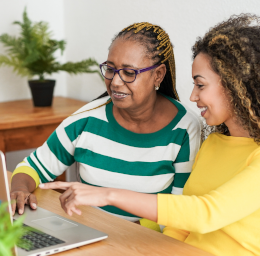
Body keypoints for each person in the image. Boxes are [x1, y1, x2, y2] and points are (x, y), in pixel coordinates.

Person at [40, 14, 260, 256]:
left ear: (237, 86)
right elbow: (179, 226)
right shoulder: (214, 143)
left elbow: (206, 214)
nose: (192, 96)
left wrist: (108, 195)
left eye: (200, 85)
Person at [10, 22, 201, 230]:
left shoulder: (185, 128)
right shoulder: (86, 119)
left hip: (149, 245)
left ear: (158, 75)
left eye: (129, 73)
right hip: (88, 235)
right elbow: (32, 168)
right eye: (110, 69)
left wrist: (120, 231)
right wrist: (19, 189)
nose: (116, 82)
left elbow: (180, 211)